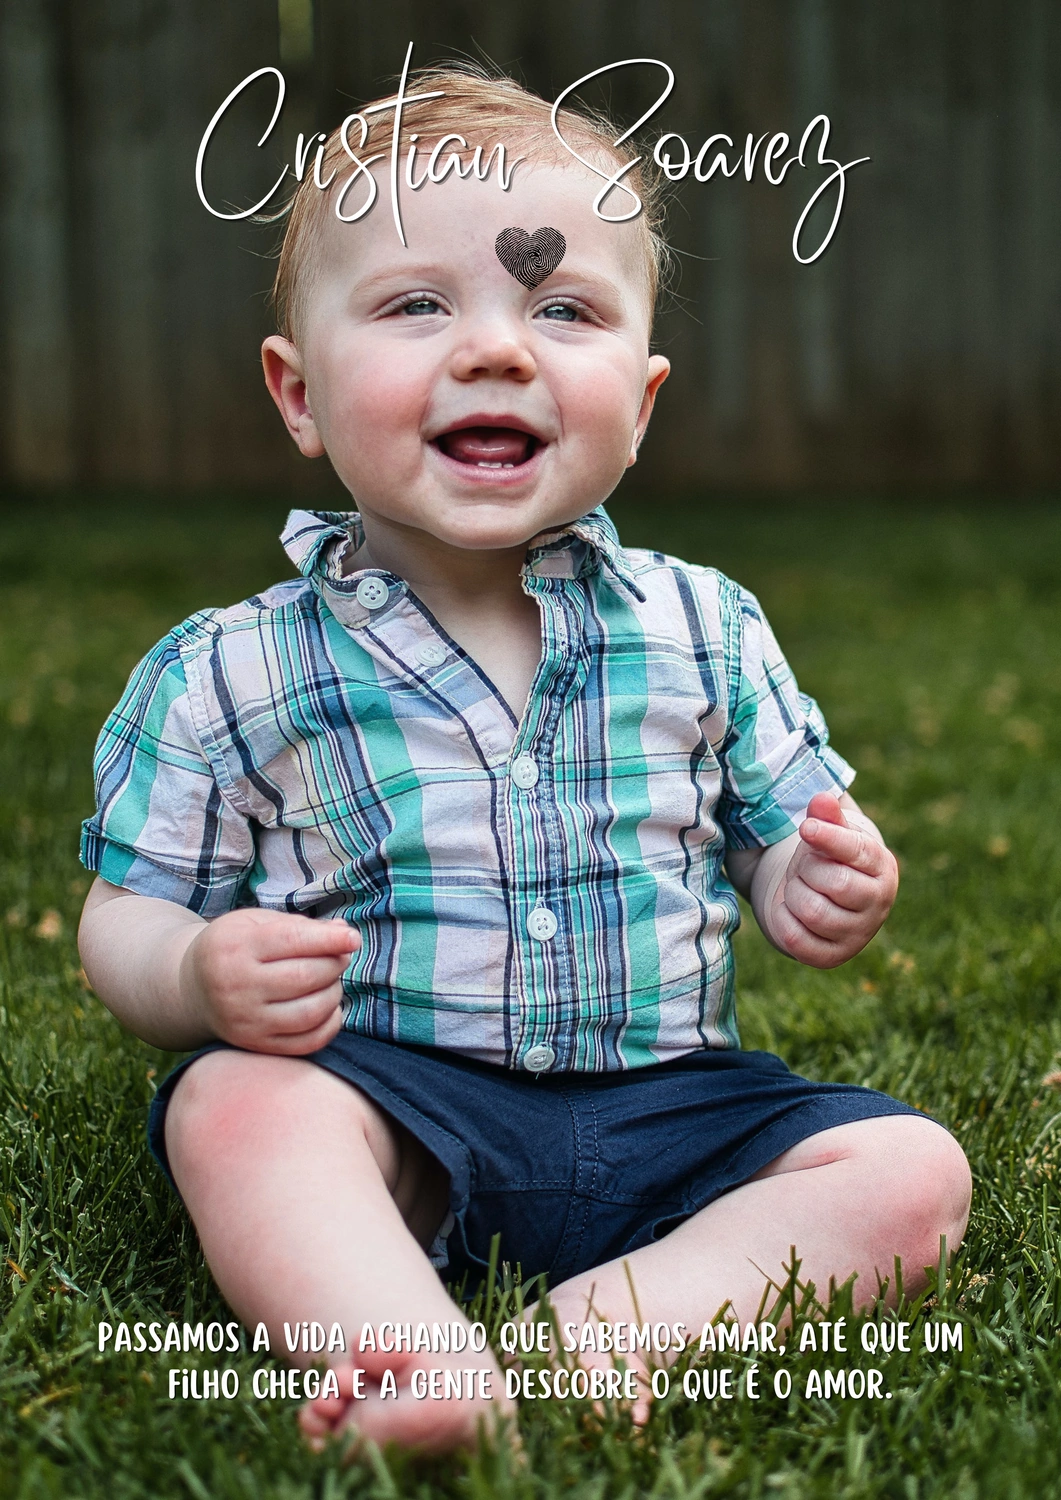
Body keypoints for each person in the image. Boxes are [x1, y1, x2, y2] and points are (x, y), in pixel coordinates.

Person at [78, 66, 971, 1453]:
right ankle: (408, 1353)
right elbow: (123, 918)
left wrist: (812, 880)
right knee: (234, 1108)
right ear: (299, 394)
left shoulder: (705, 628)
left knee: (911, 1172)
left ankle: (613, 1327)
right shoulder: (228, 670)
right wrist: (194, 972)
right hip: (392, 1108)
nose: (497, 351)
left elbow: (781, 836)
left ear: (643, 402)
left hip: (674, 1109)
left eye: (563, 310)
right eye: (416, 306)